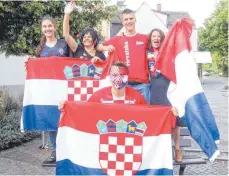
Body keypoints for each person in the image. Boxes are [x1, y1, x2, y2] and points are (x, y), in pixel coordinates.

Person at [59, 61, 178, 115]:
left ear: (128, 77)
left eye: (122, 75)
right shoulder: (98, 96)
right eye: (115, 75)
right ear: (109, 77)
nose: (118, 78)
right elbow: (83, 112)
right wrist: (67, 106)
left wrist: (169, 113)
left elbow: (149, 117)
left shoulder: (137, 97)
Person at [35, 15, 69, 166]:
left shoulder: (64, 44)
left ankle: (67, 152)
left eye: (50, 26)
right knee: (50, 121)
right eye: (45, 26)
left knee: (65, 120)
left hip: (65, 89)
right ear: (42, 29)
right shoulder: (40, 49)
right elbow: (36, 70)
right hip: (48, 91)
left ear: (55, 27)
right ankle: (55, 152)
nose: (47, 29)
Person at [98, 8, 150, 104]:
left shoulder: (145, 38)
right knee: (128, 116)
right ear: (122, 22)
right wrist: (107, 47)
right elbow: (98, 46)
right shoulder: (117, 39)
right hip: (124, 85)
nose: (129, 21)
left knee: (145, 116)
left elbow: (159, 48)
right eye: (126, 19)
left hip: (143, 85)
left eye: (131, 18)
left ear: (135, 20)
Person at [148, 28, 183, 162]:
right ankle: (160, 152)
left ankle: (177, 149)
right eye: (153, 36)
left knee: (175, 119)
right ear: (150, 39)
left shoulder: (168, 53)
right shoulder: (146, 54)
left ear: (162, 39)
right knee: (157, 121)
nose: (156, 38)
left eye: (158, 36)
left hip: (168, 88)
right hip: (154, 89)